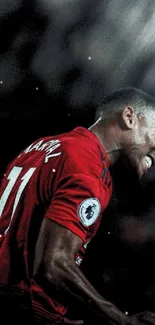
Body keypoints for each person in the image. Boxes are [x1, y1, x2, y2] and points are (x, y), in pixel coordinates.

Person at [1, 87, 155, 325]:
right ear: (129, 117)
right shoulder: (87, 167)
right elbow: (53, 266)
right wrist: (121, 321)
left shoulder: (45, 145)